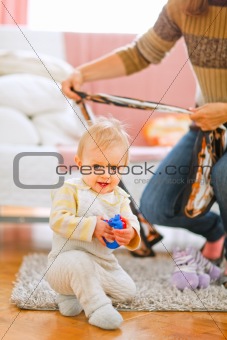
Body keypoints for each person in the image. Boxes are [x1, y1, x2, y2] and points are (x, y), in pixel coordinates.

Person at [62, 0, 227, 286]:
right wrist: (83, 73)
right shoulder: (182, 7)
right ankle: (217, 231)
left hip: (219, 117)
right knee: (155, 206)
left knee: (223, 174)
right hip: (205, 126)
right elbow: (141, 53)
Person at [46, 117, 141, 330]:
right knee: (80, 262)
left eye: (114, 168)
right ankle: (96, 308)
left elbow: (132, 220)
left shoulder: (120, 197)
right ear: (80, 164)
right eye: (97, 166)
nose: (106, 175)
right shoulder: (70, 190)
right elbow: (58, 220)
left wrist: (131, 232)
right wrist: (91, 226)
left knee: (127, 291)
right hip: (64, 265)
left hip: (102, 265)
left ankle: (79, 292)